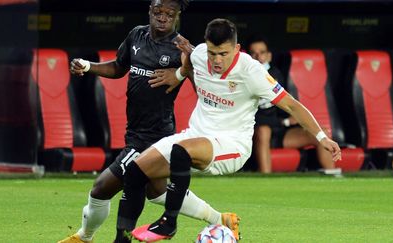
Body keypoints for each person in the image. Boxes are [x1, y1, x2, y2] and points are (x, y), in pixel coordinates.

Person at [115, 18, 342, 242]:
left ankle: (169, 223)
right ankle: (122, 240)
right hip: (194, 136)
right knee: (135, 172)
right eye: (213, 53)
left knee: (180, 151)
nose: (216, 60)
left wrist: (321, 137)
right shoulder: (199, 54)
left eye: (223, 54)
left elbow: (291, 104)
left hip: (232, 145)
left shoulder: (251, 71)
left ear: (237, 48)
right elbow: (189, 63)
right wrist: (178, 75)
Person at [58, 2, 239, 243]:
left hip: (155, 135)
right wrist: (88, 66)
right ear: (150, 11)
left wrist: (181, 73)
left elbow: (205, 87)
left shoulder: (182, 48)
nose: (163, 18)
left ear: (177, 16)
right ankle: (221, 220)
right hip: (134, 130)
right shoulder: (136, 35)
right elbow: (119, 67)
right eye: (158, 12)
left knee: (101, 188)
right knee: (157, 192)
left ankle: (85, 237)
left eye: (169, 14)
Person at [247, 37, 341, 174]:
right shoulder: (243, 78)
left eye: (262, 52)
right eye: (254, 53)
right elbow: (251, 117)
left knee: (323, 133)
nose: (259, 57)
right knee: (264, 130)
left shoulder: (275, 74)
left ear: (269, 55)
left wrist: (289, 120)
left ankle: (334, 178)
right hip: (255, 134)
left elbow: (287, 107)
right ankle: (265, 180)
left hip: (279, 132)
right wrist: (283, 121)